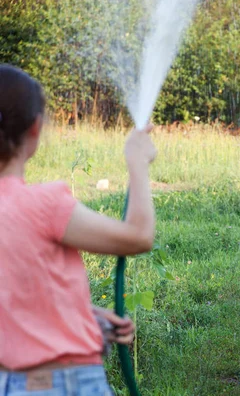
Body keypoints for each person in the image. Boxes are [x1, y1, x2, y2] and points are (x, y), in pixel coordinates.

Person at [0, 64, 156, 395]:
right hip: (65, 383)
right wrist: (137, 163)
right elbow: (139, 236)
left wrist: (83, 314)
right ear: (35, 128)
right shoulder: (43, 205)